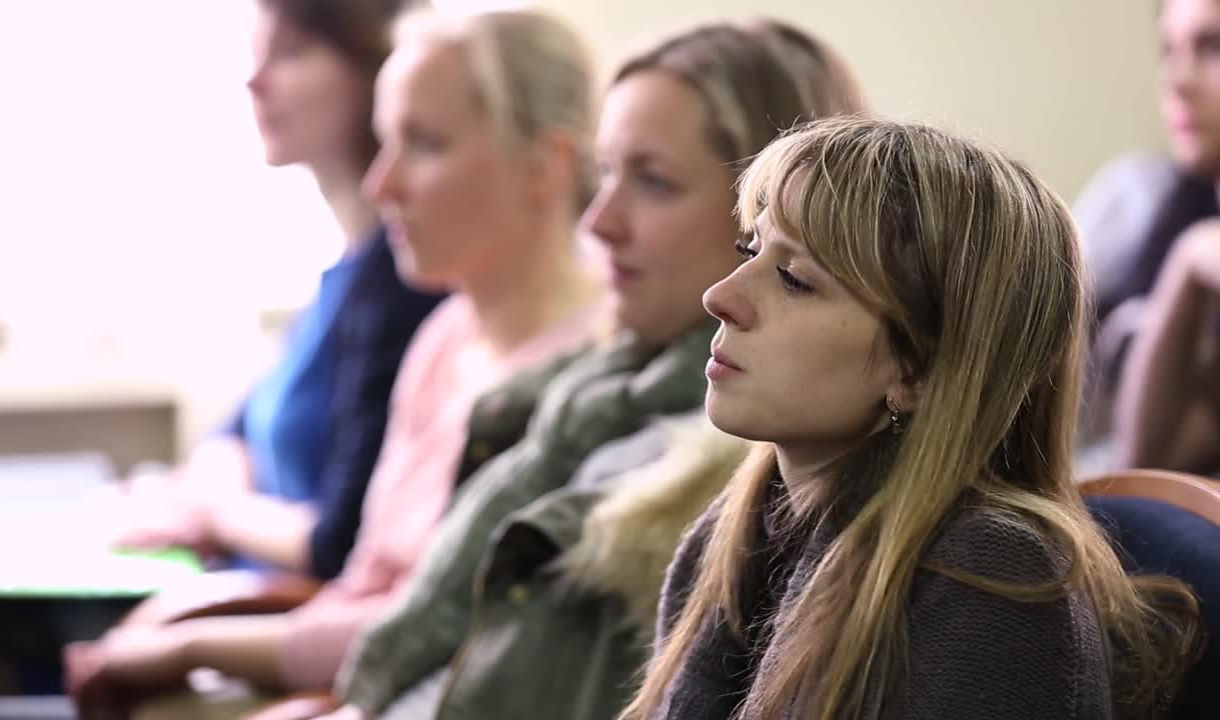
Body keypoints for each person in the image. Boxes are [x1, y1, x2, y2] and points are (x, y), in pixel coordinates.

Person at [65, 8, 603, 719]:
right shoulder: (444, 335)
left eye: (425, 144)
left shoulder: (584, 383)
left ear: (544, 166)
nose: (383, 184)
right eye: (387, 142)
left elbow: (434, 634)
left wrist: (193, 646)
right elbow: (364, 580)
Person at [326, 19, 865, 720]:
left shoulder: (733, 462)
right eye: (606, 172)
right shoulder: (582, 395)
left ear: (775, 222)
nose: (598, 221)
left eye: (654, 182)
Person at [620, 117, 1203, 720]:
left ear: (920, 370)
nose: (720, 297)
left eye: (794, 280)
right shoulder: (735, 536)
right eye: (751, 250)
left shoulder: (991, 583)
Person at [110, 0, 443, 580]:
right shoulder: (344, 276)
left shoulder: (406, 282)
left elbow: (346, 542)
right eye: (255, 56)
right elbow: (230, 434)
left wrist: (217, 513)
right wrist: (215, 497)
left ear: (375, 68)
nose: (254, 81)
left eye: (289, 54)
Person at [1075, 0, 1220, 465]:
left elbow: (1153, 458)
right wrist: (1189, 259)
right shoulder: (1141, 196)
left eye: (1212, 46)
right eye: (1168, 51)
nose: (1177, 80)